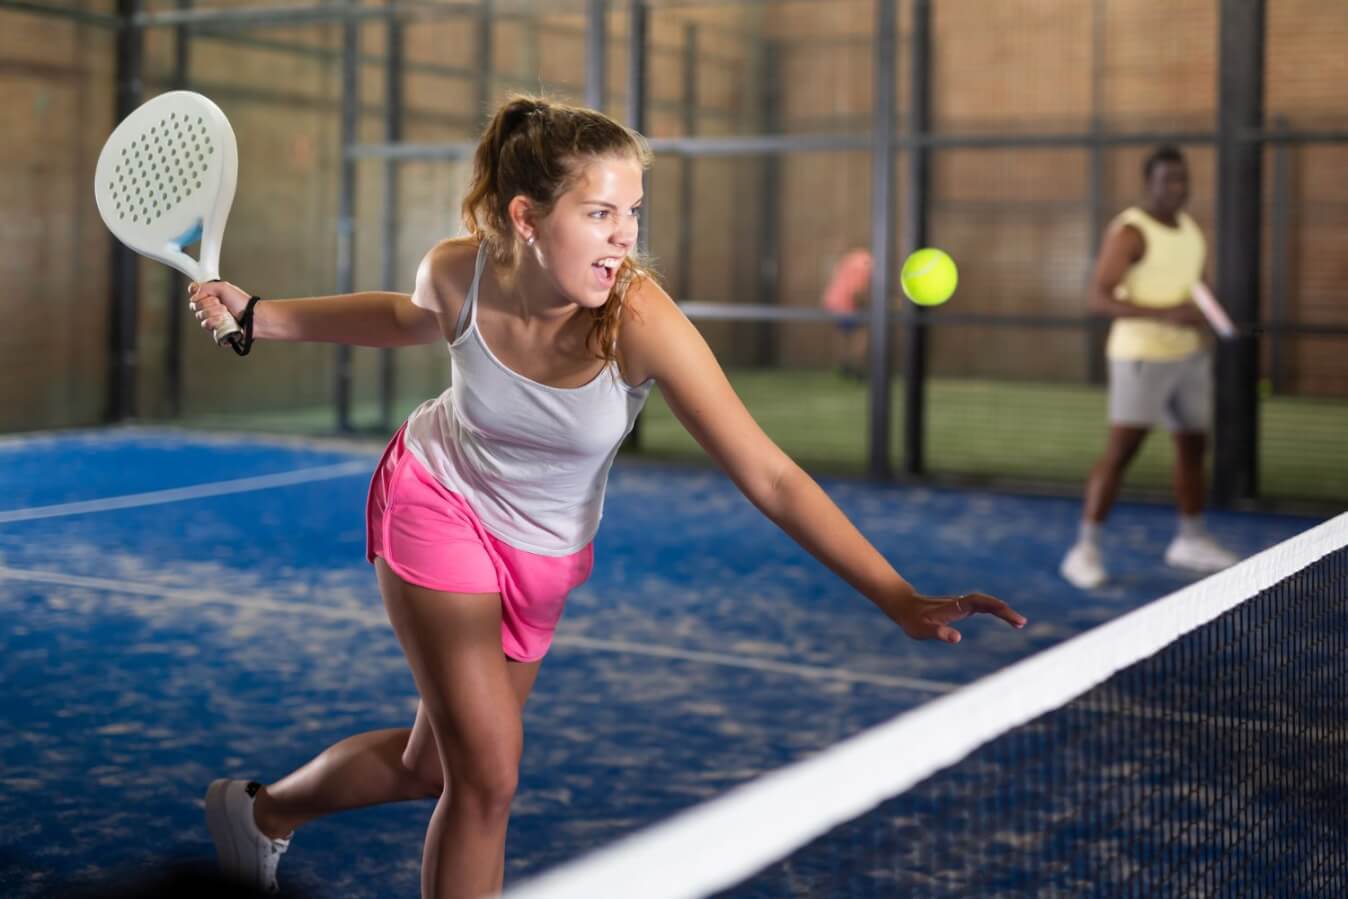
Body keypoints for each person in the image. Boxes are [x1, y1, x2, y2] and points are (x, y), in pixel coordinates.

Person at [189, 95, 1027, 899]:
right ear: (525, 217)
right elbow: (406, 317)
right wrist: (260, 314)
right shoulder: (459, 271)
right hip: (437, 501)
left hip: (544, 552)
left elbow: (770, 474)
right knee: (488, 778)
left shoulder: (639, 321)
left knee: (433, 767)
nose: (624, 236)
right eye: (600, 213)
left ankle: (261, 812)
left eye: (633, 213)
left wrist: (897, 596)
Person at [1060, 145, 1240, 590]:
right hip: (1140, 357)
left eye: (1183, 179)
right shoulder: (1129, 232)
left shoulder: (1191, 231)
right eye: (1168, 180)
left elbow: (1189, 286)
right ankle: (1084, 550)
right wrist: (1167, 314)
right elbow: (1099, 298)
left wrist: (1206, 309)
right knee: (1122, 451)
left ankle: (1191, 539)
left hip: (1189, 356)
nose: (1177, 188)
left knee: (1194, 448)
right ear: (1149, 184)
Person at [821, 248, 872, 379]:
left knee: (844, 335)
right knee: (863, 333)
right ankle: (856, 367)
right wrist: (871, 304)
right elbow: (857, 292)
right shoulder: (866, 261)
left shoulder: (851, 257)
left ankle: (844, 366)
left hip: (832, 302)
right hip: (846, 305)